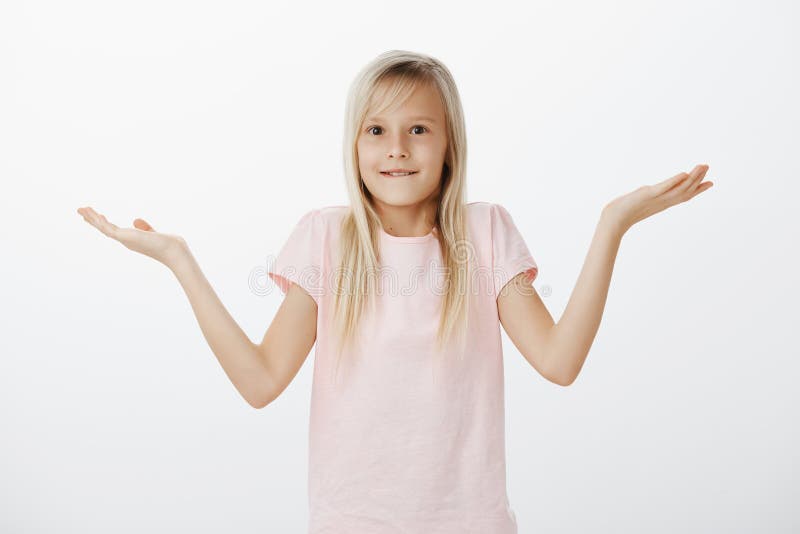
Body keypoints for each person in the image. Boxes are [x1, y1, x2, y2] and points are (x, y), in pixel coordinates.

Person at [76, 49, 714, 533]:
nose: (397, 150)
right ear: (353, 146)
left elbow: (559, 361)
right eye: (376, 130)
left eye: (419, 129)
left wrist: (612, 227)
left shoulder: (484, 231)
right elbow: (261, 380)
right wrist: (181, 262)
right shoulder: (325, 237)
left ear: (448, 145)